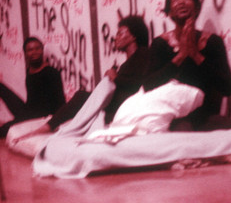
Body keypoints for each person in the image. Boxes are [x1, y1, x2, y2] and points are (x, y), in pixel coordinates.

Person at [10, 15, 150, 143]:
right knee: (83, 96)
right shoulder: (127, 62)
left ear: (133, 36)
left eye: (120, 33)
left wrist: (116, 78)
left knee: (82, 95)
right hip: (116, 103)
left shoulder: (143, 54)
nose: (116, 37)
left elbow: (141, 83)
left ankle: (48, 127)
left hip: (122, 106)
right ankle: (53, 126)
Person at [143, 0, 231, 131]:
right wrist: (180, 56)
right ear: (169, 13)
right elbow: (148, 85)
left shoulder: (212, 41)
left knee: (229, 125)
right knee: (183, 128)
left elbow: (227, 88)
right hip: (171, 116)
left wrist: (195, 55)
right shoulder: (160, 43)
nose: (181, 2)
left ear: (197, 9)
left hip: (205, 115)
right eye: (176, 0)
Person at [0, 36, 65, 139]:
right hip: (28, 111)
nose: (34, 52)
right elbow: (32, 100)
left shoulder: (52, 72)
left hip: (41, 117)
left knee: (7, 128)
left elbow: (61, 101)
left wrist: (54, 123)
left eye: (37, 48)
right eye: (30, 50)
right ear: (25, 53)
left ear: (42, 50)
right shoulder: (29, 71)